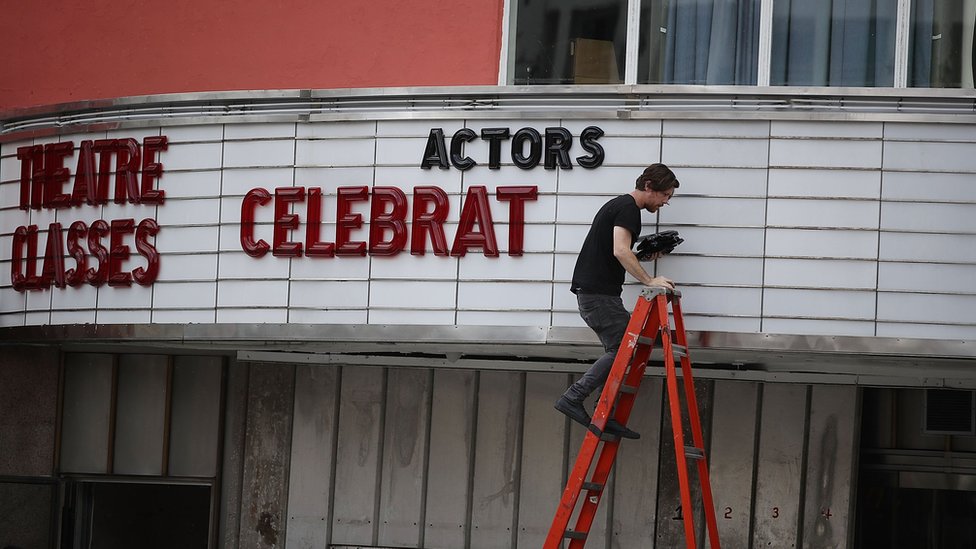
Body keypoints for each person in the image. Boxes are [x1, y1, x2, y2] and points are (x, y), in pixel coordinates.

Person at [555, 163, 679, 439]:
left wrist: (644, 256)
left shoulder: (620, 207)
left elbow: (618, 253)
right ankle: (574, 398)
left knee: (622, 351)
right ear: (649, 186)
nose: (666, 202)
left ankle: (603, 413)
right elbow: (621, 250)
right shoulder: (628, 209)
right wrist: (649, 280)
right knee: (624, 347)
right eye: (665, 195)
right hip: (598, 296)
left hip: (598, 294)